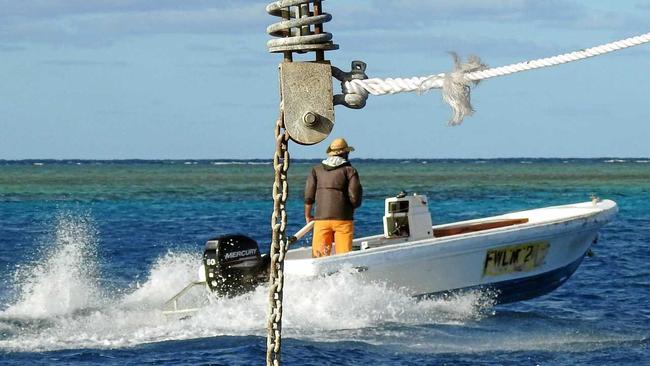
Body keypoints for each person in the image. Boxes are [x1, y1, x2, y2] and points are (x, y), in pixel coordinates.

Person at [304, 137, 363, 257]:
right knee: (344, 256)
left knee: (319, 256)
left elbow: (309, 195)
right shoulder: (350, 171)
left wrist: (308, 215)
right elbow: (355, 198)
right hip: (343, 219)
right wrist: (351, 207)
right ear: (346, 153)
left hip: (321, 219)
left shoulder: (316, 170)